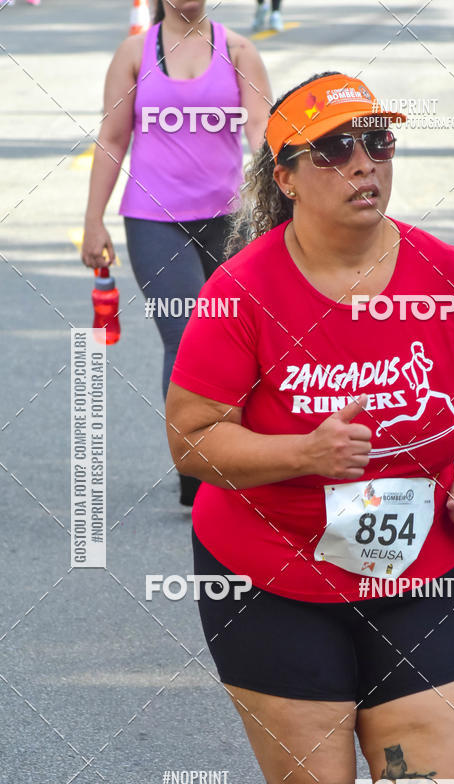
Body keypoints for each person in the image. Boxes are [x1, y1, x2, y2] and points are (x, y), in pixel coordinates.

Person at [167, 71, 454, 784]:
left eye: (378, 142)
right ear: (283, 176)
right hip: (270, 573)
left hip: (408, 566)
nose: (363, 165)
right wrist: (304, 454)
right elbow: (190, 439)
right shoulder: (240, 291)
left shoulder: (443, 269)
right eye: (334, 150)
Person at [81, 0, 271, 505]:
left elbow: (261, 133)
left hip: (230, 222)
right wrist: (93, 220)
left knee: (239, 339)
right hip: (153, 219)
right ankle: (195, 465)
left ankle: (240, 452)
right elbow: (113, 136)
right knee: (184, 333)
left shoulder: (239, 51)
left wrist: (284, 198)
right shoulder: (132, 54)